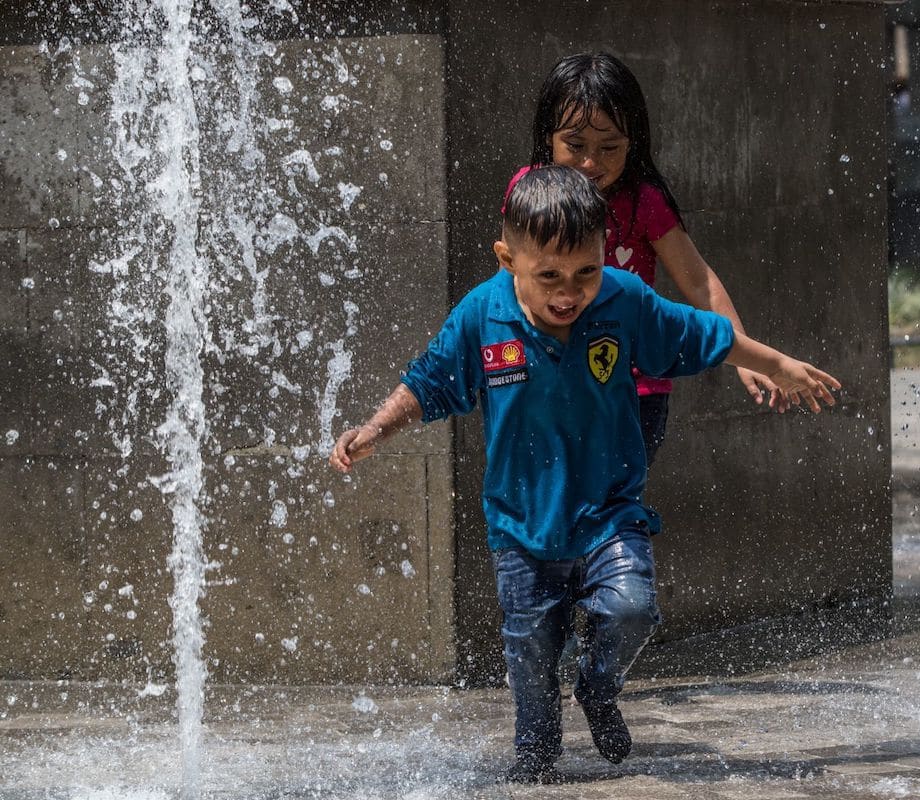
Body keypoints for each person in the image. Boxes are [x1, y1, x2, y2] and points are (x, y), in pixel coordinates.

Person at [330, 166, 839, 784]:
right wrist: (377, 429)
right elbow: (428, 381)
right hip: (522, 528)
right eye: (549, 276)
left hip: (609, 511)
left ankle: (599, 688)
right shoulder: (482, 317)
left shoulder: (624, 301)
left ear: (603, 255)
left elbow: (705, 333)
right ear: (508, 258)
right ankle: (536, 759)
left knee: (631, 609)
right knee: (531, 662)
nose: (569, 292)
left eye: (586, 272)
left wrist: (778, 363)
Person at [506, 52, 798, 467]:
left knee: (609, 505)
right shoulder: (527, 194)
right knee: (551, 507)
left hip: (632, 392)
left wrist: (744, 354)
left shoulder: (641, 202)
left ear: (633, 144)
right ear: (547, 137)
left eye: (609, 147)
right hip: (547, 381)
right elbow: (508, 282)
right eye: (575, 145)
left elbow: (698, 281)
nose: (591, 162)